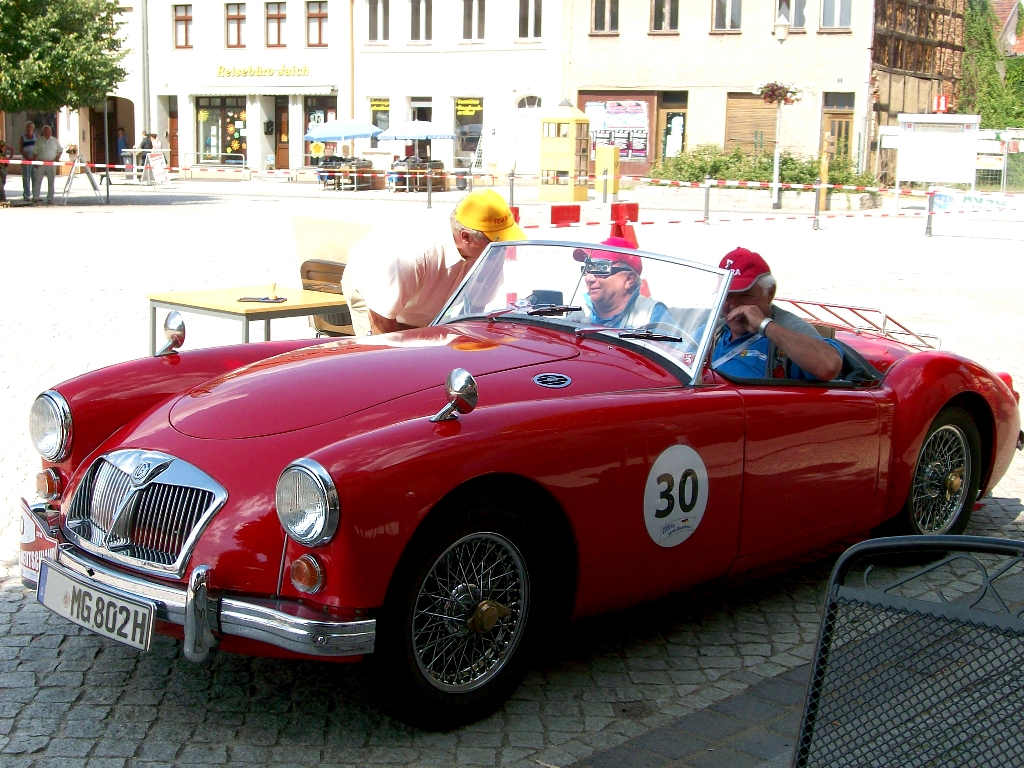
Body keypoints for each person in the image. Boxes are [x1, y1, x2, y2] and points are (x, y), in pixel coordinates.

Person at [341, 189, 527, 336]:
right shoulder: (414, 254)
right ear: (466, 237)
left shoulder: (491, 250)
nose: (504, 246)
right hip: (373, 296)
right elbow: (380, 318)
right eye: (497, 239)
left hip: (421, 303)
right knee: (382, 363)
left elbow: (476, 309)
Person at [712, 247, 843, 381]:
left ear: (769, 293)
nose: (734, 306)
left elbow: (829, 366)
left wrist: (764, 326)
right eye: (727, 296)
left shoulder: (791, 328)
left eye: (745, 296)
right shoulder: (715, 328)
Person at [569, 236, 674, 328]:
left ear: (629, 280)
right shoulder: (578, 311)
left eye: (601, 268)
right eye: (588, 268)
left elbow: (679, 350)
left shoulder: (651, 314)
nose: (589, 278)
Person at [31, 125, 62, 205]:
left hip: (51, 163)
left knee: (51, 181)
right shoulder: (39, 140)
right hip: (41, 162)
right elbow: (35, 152)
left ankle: (50, 199)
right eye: (46, 131)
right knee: (38, 180)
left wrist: (57, 159)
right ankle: (35, 197)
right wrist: (35, 162)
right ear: (43, 132)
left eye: (49, 131)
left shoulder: (55, 140)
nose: (47, 133)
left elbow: (60, 150)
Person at [19, 121, 36, 202]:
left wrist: (34, 157)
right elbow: (21, 149)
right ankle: (26, 194)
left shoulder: (36, 136)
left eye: (30, 127)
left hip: (34, 160)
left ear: (33, 128)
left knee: (35, 177)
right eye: (27, 127)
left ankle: (35, 194)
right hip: (26, 160)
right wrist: (28, 158)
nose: (29, 129)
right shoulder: (22, 137)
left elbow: (38, 148)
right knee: (26, 177)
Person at [0, 138, 13, 206]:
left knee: (3, 181)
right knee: (0, 185)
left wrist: (9, 159)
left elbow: (12, 149)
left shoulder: (2, 143)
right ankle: (2, 198)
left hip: (3, 166)